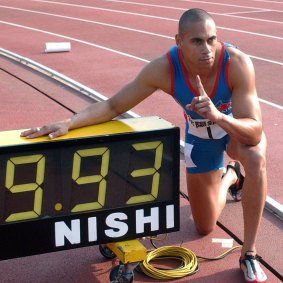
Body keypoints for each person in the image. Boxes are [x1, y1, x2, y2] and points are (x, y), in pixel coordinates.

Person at [21, 8, 267, 283]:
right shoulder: (163, 69)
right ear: (179, 41)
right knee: (204, 226)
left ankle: (250, 254)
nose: (207, 49)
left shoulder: (236, 63)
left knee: (254, 157)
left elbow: (255, 132)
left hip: (235, 131)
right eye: (197, 41)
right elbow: (114, 105)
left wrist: (219, 115)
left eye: (212, 39)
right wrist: (69, 122)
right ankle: (231, 175)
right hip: (200, 138)